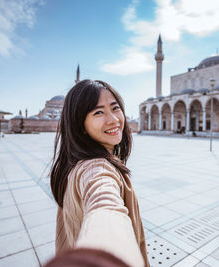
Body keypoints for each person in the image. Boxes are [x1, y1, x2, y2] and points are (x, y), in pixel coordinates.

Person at [50, 80, 149, 267]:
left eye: (115, 108)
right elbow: (104, 201)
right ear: (80, 125)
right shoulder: (95, 169)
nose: (113, 119)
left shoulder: (74, 164)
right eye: (98, 112)